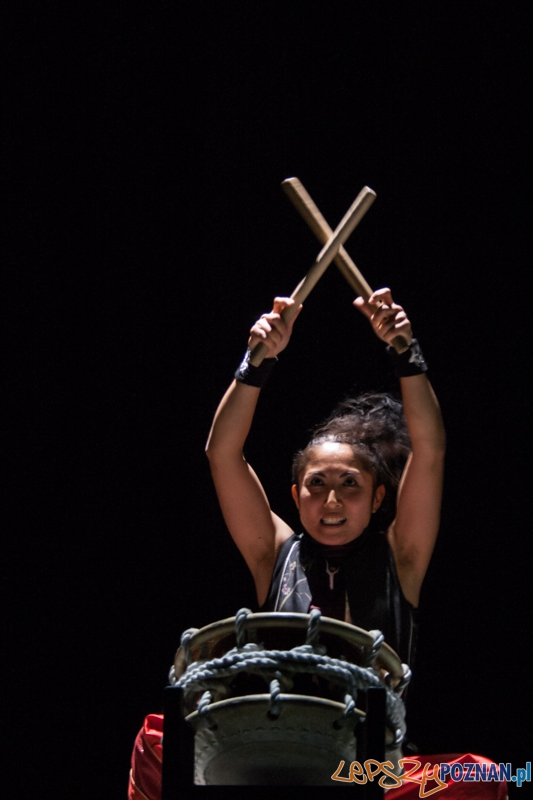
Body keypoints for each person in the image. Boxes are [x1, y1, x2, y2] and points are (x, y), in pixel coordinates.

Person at [205, 289, 446, 665]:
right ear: (296, 494)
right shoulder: (274, 554)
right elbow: (221, 453)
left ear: (377, 497)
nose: (331, 500)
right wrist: (257, 362)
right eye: (316, 483)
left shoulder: (402, 558)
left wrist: (406, 352)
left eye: (349, 482)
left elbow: (429, 452)